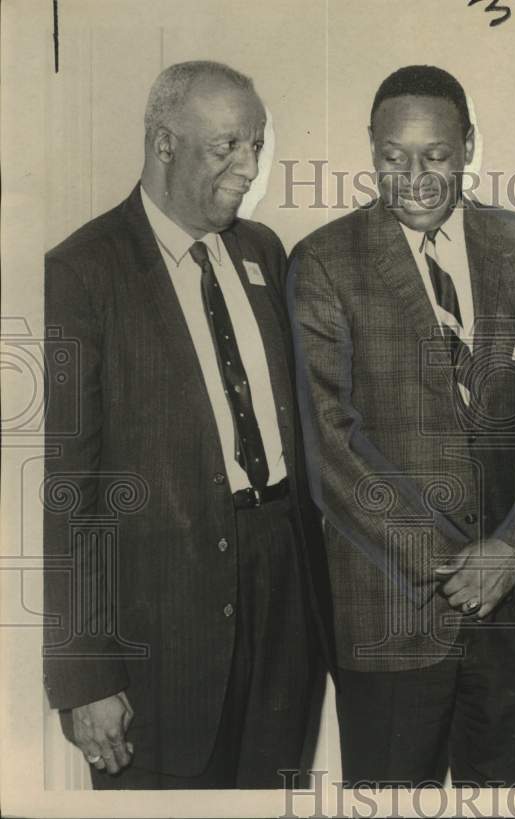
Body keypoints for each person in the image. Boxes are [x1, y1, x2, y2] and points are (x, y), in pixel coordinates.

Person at [287, 64, 515, 787]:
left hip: (514, 610)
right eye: (393, 157)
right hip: (391, 612)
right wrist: (457, 570)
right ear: (371, 150)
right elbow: (333, 448)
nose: (414, 177)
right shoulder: (325, 262)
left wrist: (510, 551)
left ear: (469, 147)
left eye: (436, 155)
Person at [42, 60, 331, 789]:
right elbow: (68, 487)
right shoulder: (83, 272)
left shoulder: (264, 252)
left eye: (256, 146)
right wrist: (84, 674)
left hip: (283, 601)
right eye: (226, 146)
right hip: (161, 624)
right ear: (164, 144)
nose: (248, 168)